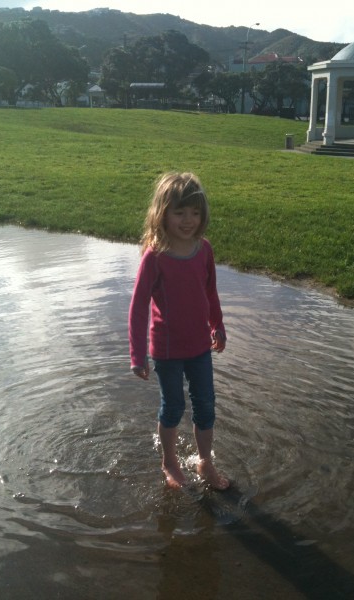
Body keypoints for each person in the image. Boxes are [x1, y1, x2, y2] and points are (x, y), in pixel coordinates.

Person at [128, 172, 229, 491]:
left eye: (195, 213)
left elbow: (210, 291)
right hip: (167, 351)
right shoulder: (155, 257)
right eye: (180, 212)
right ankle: (169, 462)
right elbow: (138, 306)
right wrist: (137, 354)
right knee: (172, 406)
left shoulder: (204, 249)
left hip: (199, 346)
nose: (188, 220)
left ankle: (205, 461)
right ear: (163, 214)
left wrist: (218, 324)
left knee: (206, 405)